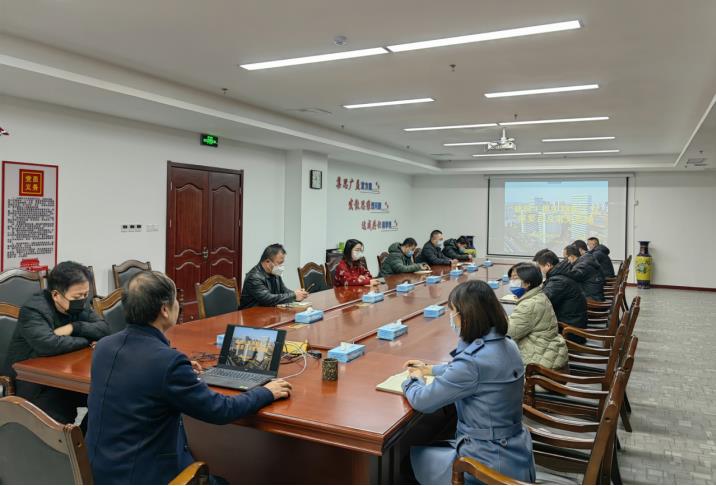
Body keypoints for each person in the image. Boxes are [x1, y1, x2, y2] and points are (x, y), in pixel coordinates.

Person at [86, 271, 293, 484]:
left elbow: (138, 365)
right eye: (176, 299)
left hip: (100, 471)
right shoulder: (167, 363)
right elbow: (221, 410)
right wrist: (266, 392)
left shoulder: (104, 346)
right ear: (165, 310)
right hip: (146, 477)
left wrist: (178, 366)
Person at [401, 280, 535, 484]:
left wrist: (414, 380)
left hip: (485, 461)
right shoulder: (507, 344)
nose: (451, 318)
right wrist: (431, 369)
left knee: (406, 463)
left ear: (467, 316)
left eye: (453, 312)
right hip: (515, 451)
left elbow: (423, 401)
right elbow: (475, 373)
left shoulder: (472, 362)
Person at [3, 261, 110, 427]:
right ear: (55, 295)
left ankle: (85, 439)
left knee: (107, 399)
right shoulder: (34, 310)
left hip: (64, 374)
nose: (82, 301)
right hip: (34, 381)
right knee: (60, 414)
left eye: (85, 295)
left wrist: (75, 327)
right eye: (77, 297)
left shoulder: (78, 304)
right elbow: (49, 345)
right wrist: (87, 340)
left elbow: (104, 329)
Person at [507, 263, 568, 370]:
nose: (511, 282)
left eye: (515, 278)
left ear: (527, 283)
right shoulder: (538, 295)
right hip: (548, 351)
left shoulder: (528, 304)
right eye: (511, 278)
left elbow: (508, 333)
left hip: (538, 360)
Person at [533, 250, 587, 344]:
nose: (539, 270)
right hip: (571, 323)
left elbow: (541, 302)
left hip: (569, 331)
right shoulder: (560, 275)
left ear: (548, 265)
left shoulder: (559, 281)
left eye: (539, 266)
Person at [239, 244, 308, 309]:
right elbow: (267, 299)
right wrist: (293, 295)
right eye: (279, 263)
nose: (281, 266)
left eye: (282, 263)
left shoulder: (275, 272)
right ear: (267, 262)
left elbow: (283, 290)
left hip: (268, 312)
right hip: (250, 314)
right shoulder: (254, 277)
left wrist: (298, 294)